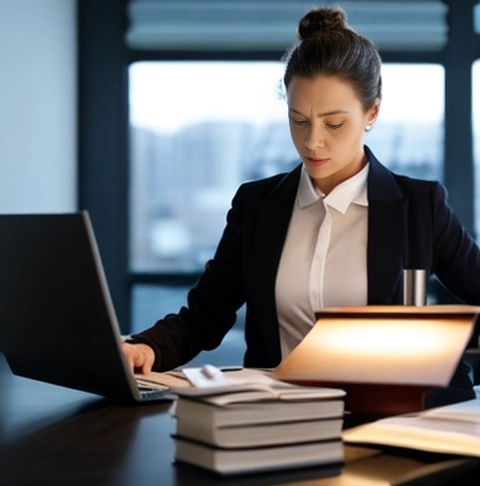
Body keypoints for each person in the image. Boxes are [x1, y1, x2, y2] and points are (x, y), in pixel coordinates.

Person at [122, 7, 480, 399]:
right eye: (298, 119)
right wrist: (147, 347)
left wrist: (438, 351)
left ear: (372, 112)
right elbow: (203, 318)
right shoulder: (256, 206)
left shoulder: (419, 206)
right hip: (275, 420)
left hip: (385, 419)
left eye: (334, 124)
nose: (312, 141)